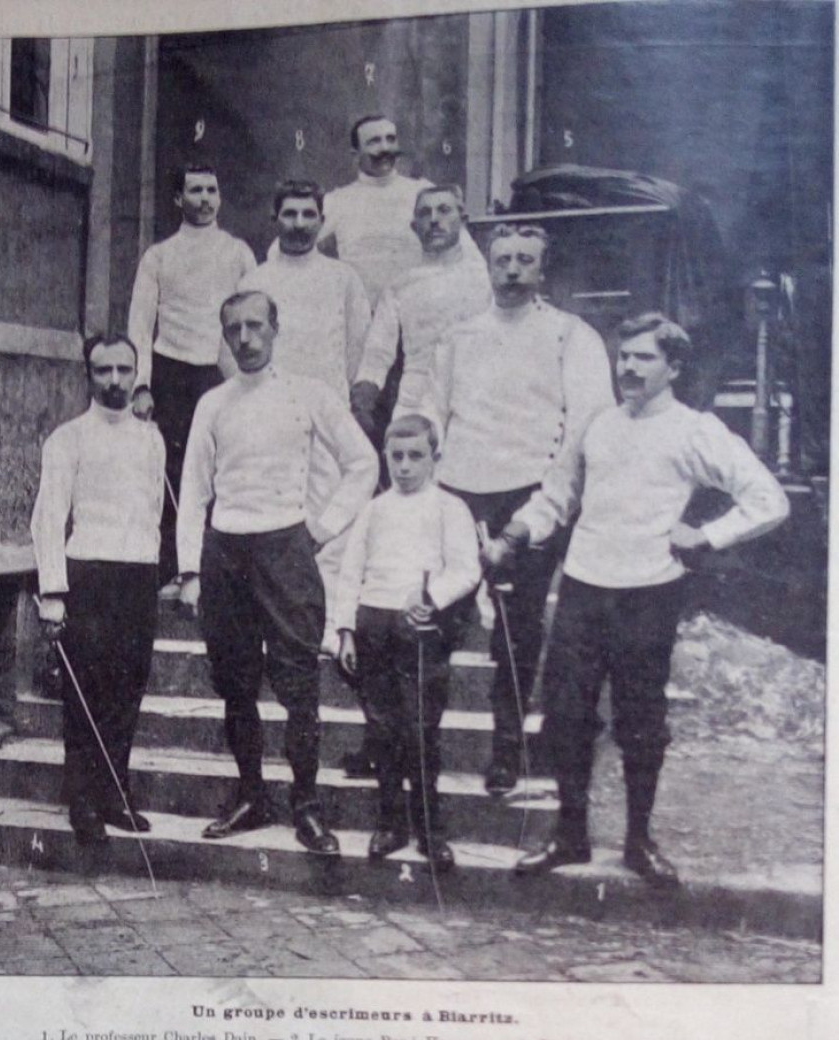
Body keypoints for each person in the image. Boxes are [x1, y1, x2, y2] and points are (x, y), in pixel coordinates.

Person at [486, 313, 789, 883]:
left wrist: (706, 535)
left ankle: (637, 841)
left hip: (649, 592)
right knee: (567, 716)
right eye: (623, 356)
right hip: (582, 586)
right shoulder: (596, 424)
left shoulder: (694, 430)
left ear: (674, 366)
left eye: (643, 357)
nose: (628, 366)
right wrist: (512, 536)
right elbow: (556, 498)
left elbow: (768, 499)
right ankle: (569, 836)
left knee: (641, 721)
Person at [177, 291, 379, 855]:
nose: (245, 338)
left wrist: (320, 529)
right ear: (224, 335)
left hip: (288, 549)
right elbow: (194, 489)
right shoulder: (212, 404)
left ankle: (307, 806)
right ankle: (250, 795)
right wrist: (190, 570)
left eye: (255, 326)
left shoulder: (308, 395)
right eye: (234, 329)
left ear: (275, 329)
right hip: (225, 554)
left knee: (298, 686)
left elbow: (364, 463)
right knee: (236, 684)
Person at [427, 222, 615, 797]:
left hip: (528, 496)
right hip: (460, 493)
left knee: (516, 634)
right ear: (487, 264)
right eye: (502, 258)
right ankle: (413, 750)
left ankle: (506, 754)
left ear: (541, 269)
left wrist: (533, 519)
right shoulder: (458, 338)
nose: (511, 269)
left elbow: (586, 432)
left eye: (524, 260)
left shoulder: (570, 336)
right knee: (433, 624)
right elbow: (433, 415)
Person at [30, 335, 166, 845]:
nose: (114, 381)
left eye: (123, 370)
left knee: (127, 690)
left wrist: (151, 568)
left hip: (138, 576)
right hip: (88, 573)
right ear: (88, 375)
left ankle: (116, 793)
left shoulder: (151, 439)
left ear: (136, 374)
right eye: (103, 370)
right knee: (85, 691)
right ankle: (81, 800)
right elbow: (49, 517)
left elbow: (152, 511)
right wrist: (53, 591)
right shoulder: (67, 439)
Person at [333, 415, 480, 872]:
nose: (405, 466)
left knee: (420, 730)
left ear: (435, 458)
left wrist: (432, 596)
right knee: (383, 731)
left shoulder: (449, 508)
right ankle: (390, 822)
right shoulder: (374, 510)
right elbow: (350, 572)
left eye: (416, 456)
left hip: (418, 630)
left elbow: (465, 568)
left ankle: (430, 829)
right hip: (373, 625)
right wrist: (345, 631)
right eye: (396, 456)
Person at [239, 179, 372, 651]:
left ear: (321, 219)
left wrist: (337, 399)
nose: (298, 224)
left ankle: (332, 625)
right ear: (276, 219)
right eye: (289, 214)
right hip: (271, 410)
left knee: (330, 521)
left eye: (308, 215)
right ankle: (274, 624)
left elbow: (357, 345)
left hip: (328, 409)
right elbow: (236, 345)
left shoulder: (343, 278)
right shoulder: (256, 278)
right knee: (271, 514)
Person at [127, 164, 257, 590]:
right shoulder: (159, 255)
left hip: (220, 372)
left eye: (211, 190)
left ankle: (218, 567)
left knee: (225, 465)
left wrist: (246, 378)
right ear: (178, 199)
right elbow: (141, 325)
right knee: (175, 467)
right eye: (195, 190)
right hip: (171, 372)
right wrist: (141, 385)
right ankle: (174, 565)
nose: (204, 198)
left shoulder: (238, 253)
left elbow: (250, 317)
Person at [349, 184, 492, 444]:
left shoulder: (487, 280)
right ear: (414, 226)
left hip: (477, 397)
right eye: (425, 213)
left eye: (444, 211)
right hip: (416, 401)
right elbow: (377, 352)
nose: (434, 220)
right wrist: (365, 396)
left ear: (463, 220)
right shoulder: (400, 285)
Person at [320, 115, 481, 305]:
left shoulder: (423, 192)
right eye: (374, 142)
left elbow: (468, 254)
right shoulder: (337, 201)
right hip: (364, 316)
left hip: (419, 311)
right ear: (355, 154)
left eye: (390, 139)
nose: (385, 148)